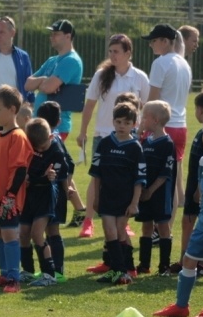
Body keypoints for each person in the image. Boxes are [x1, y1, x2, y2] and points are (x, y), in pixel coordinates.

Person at [75, 34, 150, 238]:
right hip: (103, 135)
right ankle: (88, 221)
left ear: (128, 53)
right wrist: (82, 132)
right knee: (97, 178)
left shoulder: (140, 77)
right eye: (110, 51)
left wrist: (141, 131)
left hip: (129, 139)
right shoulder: (101, 75)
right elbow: (89, 105)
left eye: (116, 51)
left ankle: (123, 222)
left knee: (125, 181)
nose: (112, 55)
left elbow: (146, 108)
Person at [0, 86, 34, 294]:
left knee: (10, 234)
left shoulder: (18, 136)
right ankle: (4, 274)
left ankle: (14, 277)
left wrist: (10, 195)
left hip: (8, 197)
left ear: (12, 110)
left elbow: (19, 170)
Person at [88, 102, 145, 286]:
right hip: (106, 197)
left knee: (120, 230)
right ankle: (121, 270)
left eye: (127, 123)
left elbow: (139, 179)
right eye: (118, 121)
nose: (122, 126)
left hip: (125, 199)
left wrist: (134, 203)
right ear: (113, 122)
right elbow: (96, 175)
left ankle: (124, 269)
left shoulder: (135, 148)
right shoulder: (105, 144)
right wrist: (96, 197)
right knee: (109, 230)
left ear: (134, 125)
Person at [143, 23, 192, 230]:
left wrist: (142, 126)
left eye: (154, 40)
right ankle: (165, 230)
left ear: (165, 41)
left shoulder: (161, 63)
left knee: (155, 180)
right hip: (180, 126)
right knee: (171, 181)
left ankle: (156, 228)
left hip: (162, 126)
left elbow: (152, 100)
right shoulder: (184, 63)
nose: (151, 45)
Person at [154, 138, 203, 317]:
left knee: (191, 260)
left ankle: (184, 306)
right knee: (189, 260)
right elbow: (200, 190)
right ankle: (181, 306)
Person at [19, 118, 66, 287]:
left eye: (42, 147)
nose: (39, 150)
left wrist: (48, 177)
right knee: (23, 232)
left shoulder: (57, 153)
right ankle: (28, 271)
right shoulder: (27, 147)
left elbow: (55, 177)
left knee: (37, 234)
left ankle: (50, 273)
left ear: (51, 137)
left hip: (45, 197)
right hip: (29, 196)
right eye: (35, 147)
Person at [24, 19, 83, 142]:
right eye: (51, 34)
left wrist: (41, 84)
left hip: (56, 126)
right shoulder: (52, 60)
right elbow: (28, 84)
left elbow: (48, 88)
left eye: (56, 34)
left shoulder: (71, 60)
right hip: (39, 122)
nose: (52, 37)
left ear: (68, 36)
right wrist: (44, 80)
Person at [136, 100, 176, 276]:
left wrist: (150, 190)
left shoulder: (167, 144)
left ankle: (164, 266)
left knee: (163, 227)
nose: (142, 120)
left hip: (160, 193)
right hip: (145, 192)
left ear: (155, 120)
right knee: (146, 226)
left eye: (145, 117)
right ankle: (144, 264)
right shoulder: (146, 141)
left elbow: (165, 172)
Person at [174, 92, 203, 274]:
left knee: (196, 224)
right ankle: (184, 260)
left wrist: (197, 190)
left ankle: (198, 263)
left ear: (200, 110)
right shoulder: (200, 133)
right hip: (194, 186)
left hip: (198, 189)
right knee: (187, 223)